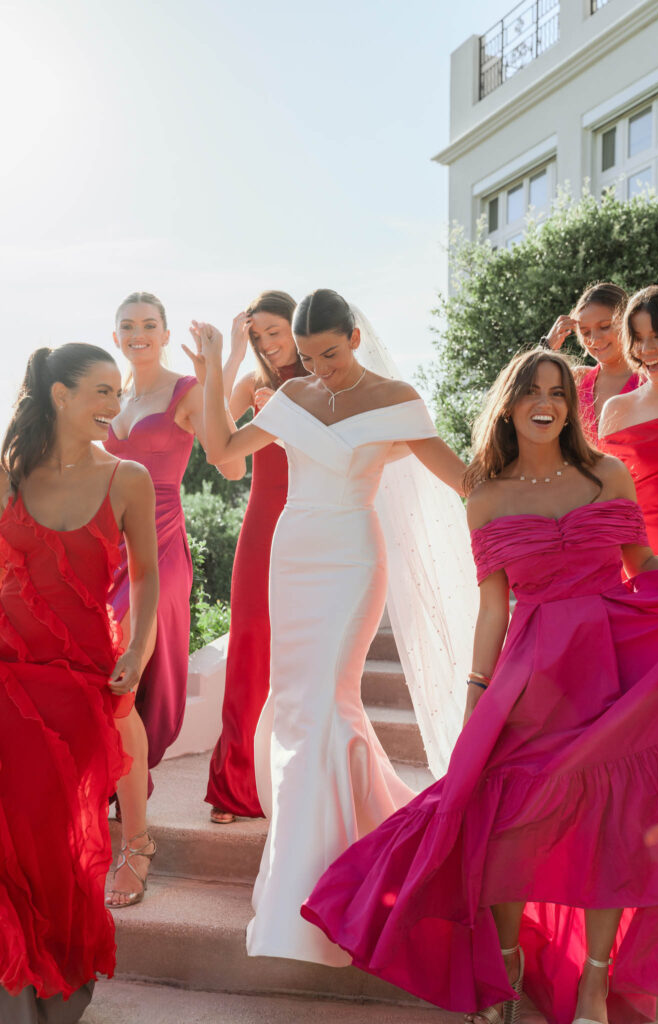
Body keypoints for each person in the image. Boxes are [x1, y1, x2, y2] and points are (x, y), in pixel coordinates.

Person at [302, 348, 658, 1024]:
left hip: (611, 663)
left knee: (610, 824)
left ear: (571, 405)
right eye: (531, 391)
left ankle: (594, 987)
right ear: (508, 404)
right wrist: (477, 689)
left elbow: (643, 564)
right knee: (505, 824)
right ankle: (503, 966)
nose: (546, 402)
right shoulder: (484, 496)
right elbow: (493, 605)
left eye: (558, 392)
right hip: (533, 670)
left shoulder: (606, 473)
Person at [194, 288, 470, 966]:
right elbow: (222, 448)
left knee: (325, 700)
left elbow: (462, 478)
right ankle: (340, 847)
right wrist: (210, 373)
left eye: (331, 353)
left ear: (354, 335)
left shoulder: (396, 398)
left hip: (350, 556)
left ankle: (313, 881)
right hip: (293, 555)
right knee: (295, 706)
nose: (321, 368)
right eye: (310, 357)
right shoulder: (291, 399)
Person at [0, 344, 158, 1023]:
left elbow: (148, 577)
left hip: (88, 680)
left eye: (117, 393)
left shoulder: (128, 478)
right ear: (59, 395)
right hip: (10, 679)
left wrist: (142, 650)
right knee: (13, 843)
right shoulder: (10, 473)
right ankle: (17, 984)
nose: (112, 405)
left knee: (61, 842)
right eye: (99, 391)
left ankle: (57, 979)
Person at [104, 290, 237, 908]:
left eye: (149, 325)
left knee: (137, 667)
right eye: (128, 325)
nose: (139, 334)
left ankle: (134, 820)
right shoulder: (110, 398)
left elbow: (222, 452)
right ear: (116, 335)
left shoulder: (185, 391)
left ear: (163, 333)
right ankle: (114, 779)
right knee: (96, 661)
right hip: (101, 542)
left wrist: (214, 374)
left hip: (157, 542)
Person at [205, 290, 306, 824]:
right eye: (257, 334)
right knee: (248, 639)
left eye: (275, 331)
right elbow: (212, 434)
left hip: (314, 523)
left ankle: (292, 780)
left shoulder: (322, 378)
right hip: (262, 523)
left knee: (301, 652)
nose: (268, 342)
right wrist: (232, 359)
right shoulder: (254, 382)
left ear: (296, 326)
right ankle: (234, 784)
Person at [600, 284, 658, 553]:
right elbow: (609, 508)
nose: (646, 349)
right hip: (650, 583)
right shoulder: (617, 411)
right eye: (637, 337)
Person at [542, 282, 639, 444]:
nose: (594, 339)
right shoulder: (576, 379)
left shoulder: (653, 378)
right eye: (585, 332)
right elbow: (517, 397)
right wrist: (545, 348)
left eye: (605, 327)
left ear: (627, 322)